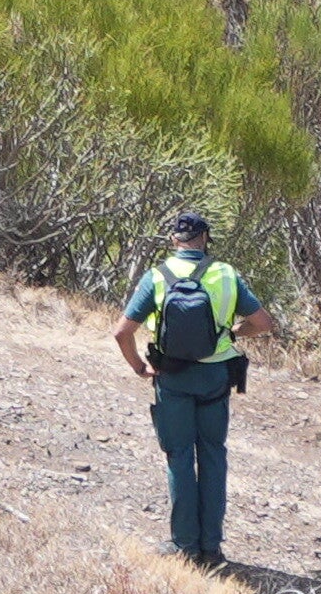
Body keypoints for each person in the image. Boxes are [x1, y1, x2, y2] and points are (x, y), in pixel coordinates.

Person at [112, 209, 274, 572]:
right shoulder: (226, 274)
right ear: (205, 239)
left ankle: (184, 545)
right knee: (213, 455)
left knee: (180, 457)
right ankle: (212, 548)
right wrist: (232, 333)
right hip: (216, 378)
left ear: (174, 240)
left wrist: (140, 367)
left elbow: (121, 332)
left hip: (172, 378)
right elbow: (263, 323)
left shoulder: (157, 276)